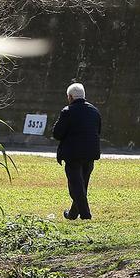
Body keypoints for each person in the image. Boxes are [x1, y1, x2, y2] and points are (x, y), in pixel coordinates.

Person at [51, 82, 101, 220]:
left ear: (71, 97)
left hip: (73, 154)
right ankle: (73, 214)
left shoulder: (67, 111)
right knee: (82, 185)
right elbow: (98, 131)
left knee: (76, 187)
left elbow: (57, 133)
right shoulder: (95, 111)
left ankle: (86, 215)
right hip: (91, 152)